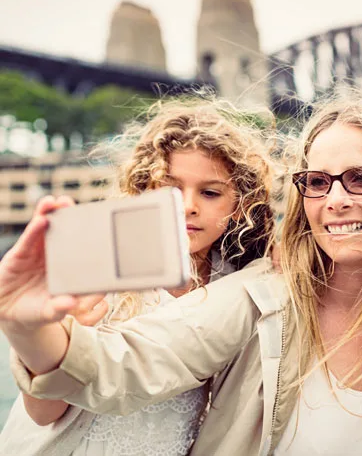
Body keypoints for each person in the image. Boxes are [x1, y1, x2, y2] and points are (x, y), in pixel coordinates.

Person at [0, 95, 362, 456]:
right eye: (317, 182)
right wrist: (28, 327)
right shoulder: (260, 298)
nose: (336, 199)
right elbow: (122, 363)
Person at [0, 96, 275, 456]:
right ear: (145, 189)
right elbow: (42, 412)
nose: (187, 204)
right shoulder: (103, 272)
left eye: (210, 193)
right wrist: (57, 331)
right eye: (170, 188)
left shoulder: (236, 287)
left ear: (238, 206)